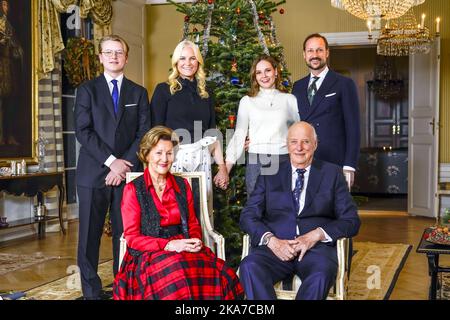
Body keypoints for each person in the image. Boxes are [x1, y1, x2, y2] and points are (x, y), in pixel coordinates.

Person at [113, 126, 244, 300]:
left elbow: (192, 224)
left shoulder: (182, 186)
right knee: (177, 276)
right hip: (148, 253)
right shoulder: (133, 189)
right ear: (146, 155)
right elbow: (133, 238)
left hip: (182, 245)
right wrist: (168, 246)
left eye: (169, 153)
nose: (165, 159)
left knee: (223, 275)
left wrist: (195, 241)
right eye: (159, 153)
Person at [239, 121, 361, 300]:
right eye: (294, 142)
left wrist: (315, 235)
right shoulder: (269, 174)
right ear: (287, 145)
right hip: (276, 248)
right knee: (249, 266)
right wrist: (272, 241)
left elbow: (351, 220)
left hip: (315, 250)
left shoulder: (332, 174)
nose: (299, 148)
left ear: (315, 144)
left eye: (305, 142)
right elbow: (248, 216)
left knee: (321, 274)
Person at [74, 34, 150, 300]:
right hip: (93, 172)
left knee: (125, 233)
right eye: (109, 52)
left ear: (126, 57)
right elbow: (83, 131)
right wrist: (111, 162)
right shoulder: (87, 90)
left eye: (119, 52)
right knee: (88, 237)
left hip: (128, 174)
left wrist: (124, 166)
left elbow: (144, 133)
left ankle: (122, 286)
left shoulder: (139, 92)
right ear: (100, 57)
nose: (114, 56)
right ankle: (92, 293)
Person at [150, 40, 228, 214]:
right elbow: (155, 134)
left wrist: (221, 167)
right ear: (176, 62)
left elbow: (212, 134)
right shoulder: (164, 90)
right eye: (183, 58)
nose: (187, 63)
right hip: (173, 160)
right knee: (175, 212)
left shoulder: (206, 92)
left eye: (192, 58)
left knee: (200, 211)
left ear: (198, 61)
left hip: (202, 160)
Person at [225, 55, 300, 197]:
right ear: (254, 76)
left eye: (268, 70)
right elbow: (239, 134)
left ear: (276, 72)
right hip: (256, 161)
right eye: (259, 72)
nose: (264, 76)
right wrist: (226, 168)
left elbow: (299, 133)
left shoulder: (289, 99)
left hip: (283, 160)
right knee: (256, 209)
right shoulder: (247, 101)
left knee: (283, 208)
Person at [292, 33, 360, 187]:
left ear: (327, 53)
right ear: (304, 55)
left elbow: (353, 127)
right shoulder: (298, 86)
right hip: (305, 160)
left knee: (333, 209)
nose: (314, 55)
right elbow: (292, 123)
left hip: (334, 161)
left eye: (319, 50)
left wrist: (349, 165)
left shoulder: (344, 84)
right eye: (310, 51)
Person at [0, 0, 22, 146]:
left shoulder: (9, 25)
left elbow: (15, 44)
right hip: (1, 65)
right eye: (3, 5)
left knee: (10, 102)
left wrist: (17, 49)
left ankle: (10, 135)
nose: (5, 7)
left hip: (8, 67)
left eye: (7, 5)